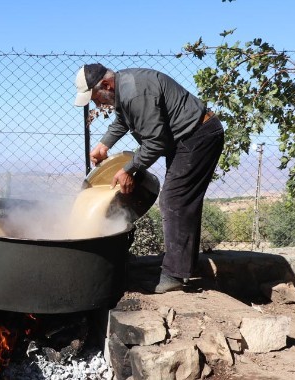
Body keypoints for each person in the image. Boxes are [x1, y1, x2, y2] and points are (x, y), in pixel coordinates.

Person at [73, 64, 225, 293]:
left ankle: (174, 275)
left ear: (106, 85)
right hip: (186, 138)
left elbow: (156, 142)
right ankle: (183, 268)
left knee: (174, 201)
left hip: (198, 137)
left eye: (95, 98)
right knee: (182, 202)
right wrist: (104, 145)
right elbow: (123, 121)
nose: (96, 104)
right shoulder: (123, 88)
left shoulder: (135, 92)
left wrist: (129, 170)